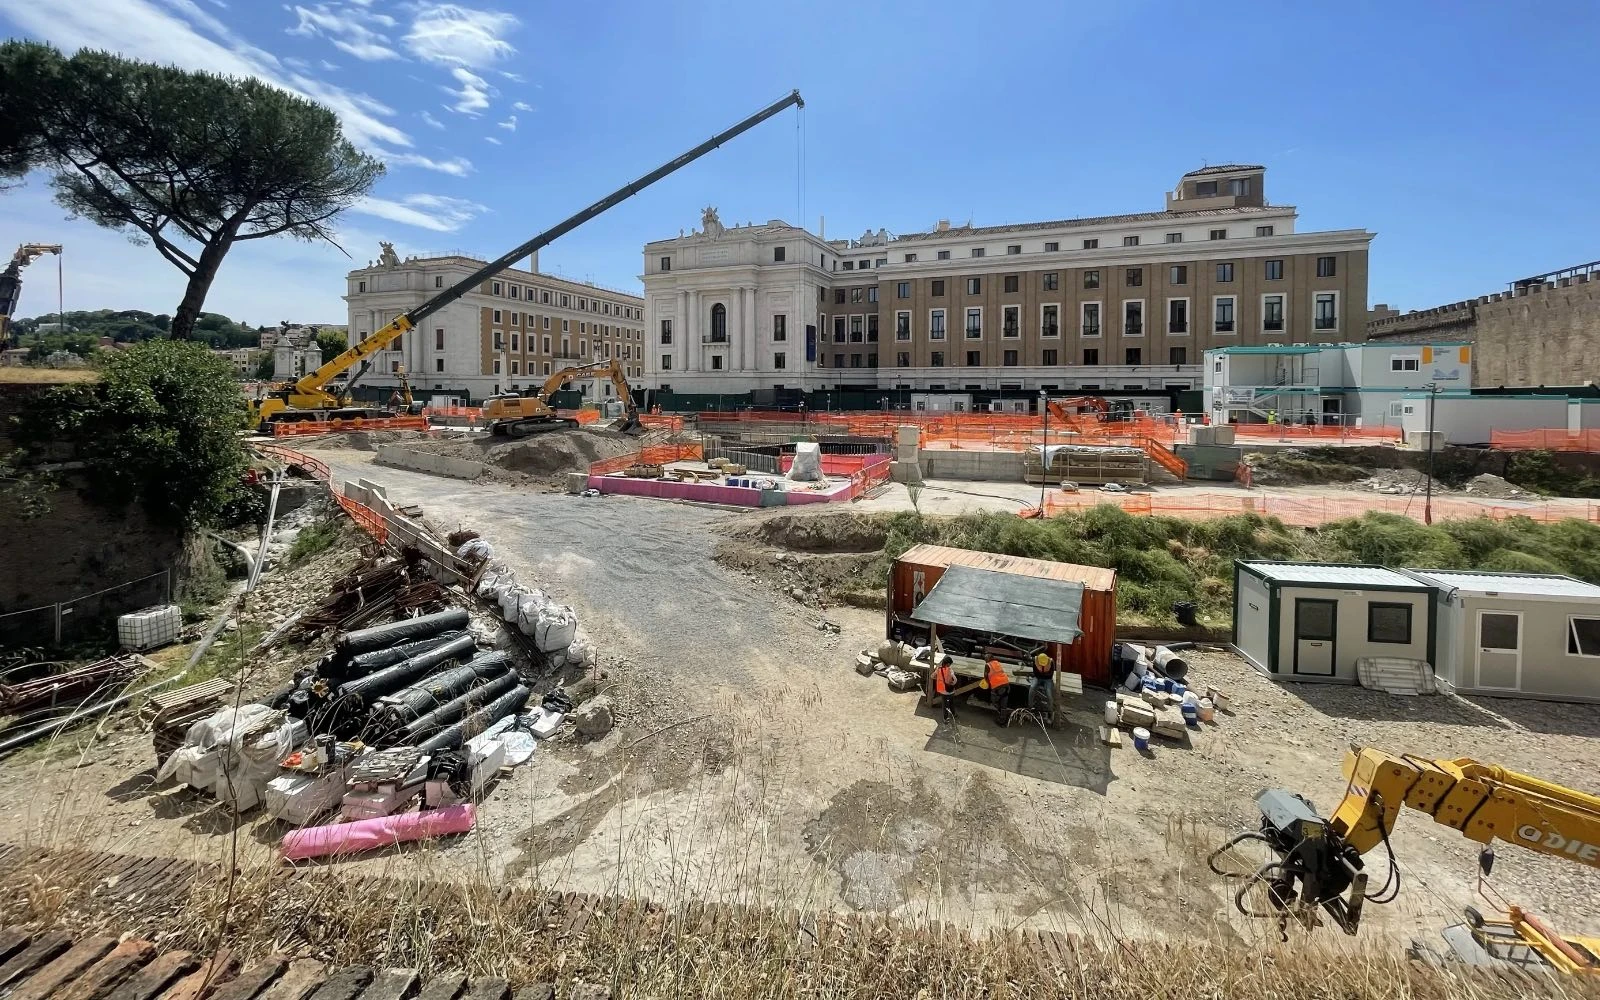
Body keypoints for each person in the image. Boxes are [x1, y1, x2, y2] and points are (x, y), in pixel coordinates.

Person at [934, 654, 958, 725]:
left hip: (943, 691)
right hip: (950, 691)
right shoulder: (950, 670)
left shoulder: (938, 670)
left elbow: (932, 676)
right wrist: (952, 684)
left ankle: (945, 719)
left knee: (945, 706)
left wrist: (939, 679)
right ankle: (954, 714)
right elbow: (955, 680)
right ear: (948, 664)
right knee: (951, 703)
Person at [1030, 651, 1055, 720]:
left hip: (1048, 679)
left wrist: (1041, 674)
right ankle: (1030, 708)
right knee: (1032, 688)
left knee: (1049, 693)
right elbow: (1035, 673)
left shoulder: (1051, 662)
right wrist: (1042, 674)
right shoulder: (1035, 661)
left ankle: (1050, 711)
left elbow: (1050, 675)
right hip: (1038, 678)